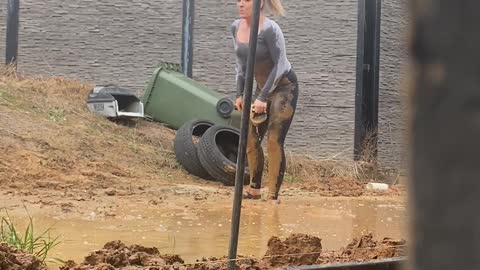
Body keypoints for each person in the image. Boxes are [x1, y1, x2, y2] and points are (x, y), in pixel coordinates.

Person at [231, 0, 299, 204]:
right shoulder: (236, 27)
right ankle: (254, 189)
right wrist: (240, 93)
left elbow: (280, 65)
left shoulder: (270, 29)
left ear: (259, 4)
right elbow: (241, 65)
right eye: (239, 0)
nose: (240, 4)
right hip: (262, 89)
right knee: (251, 138)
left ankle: (273, 196)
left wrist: (261, 98)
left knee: (273, 140)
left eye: (246, 0)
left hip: (285, 88)